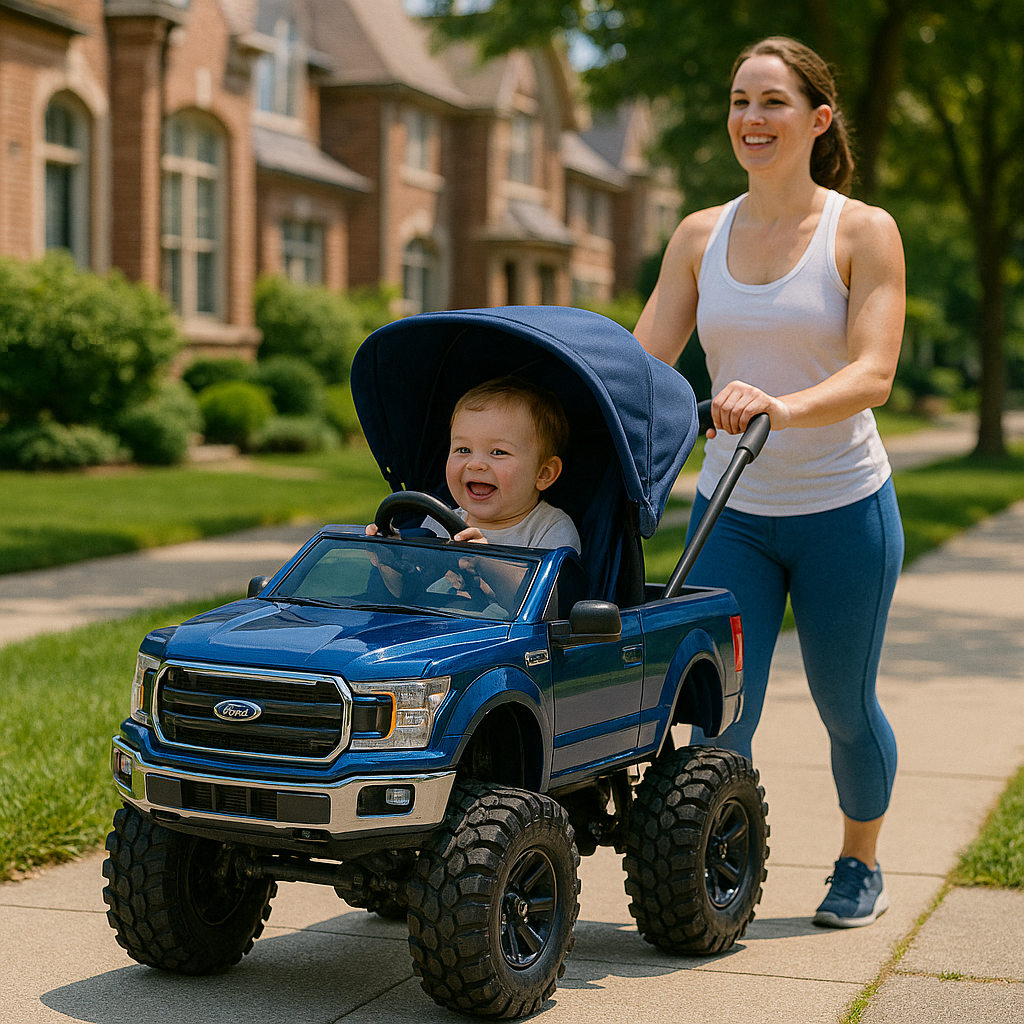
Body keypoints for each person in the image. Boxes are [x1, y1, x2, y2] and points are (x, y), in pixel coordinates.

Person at [633, 36, 905, 929]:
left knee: (843, 703)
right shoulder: (698, 235)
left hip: (843, 508)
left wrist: (782, 409)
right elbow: (642, 371)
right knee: (720, 715)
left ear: (818, 119)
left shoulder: (862, 231)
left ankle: (859, 863)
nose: (752, 117)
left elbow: (873, 374)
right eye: (741, 98)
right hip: (732, 513)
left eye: (775, 101)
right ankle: (716, 868)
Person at [367, 376, 581, 607]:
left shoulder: (550, 529)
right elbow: (409, 592)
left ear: (543, 474)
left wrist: (484, 560)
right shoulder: (440, 522)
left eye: (498, 452)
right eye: (463, 449)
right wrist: (392, 561)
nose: (475, 464)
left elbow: (548, 607)